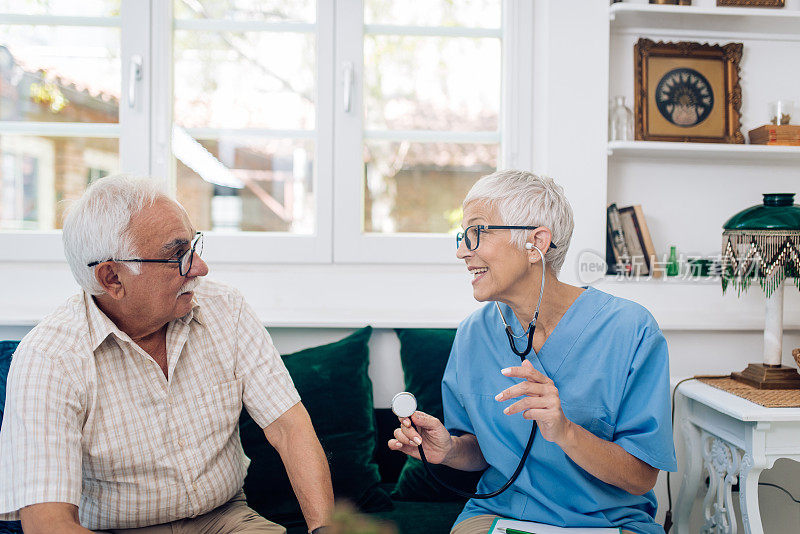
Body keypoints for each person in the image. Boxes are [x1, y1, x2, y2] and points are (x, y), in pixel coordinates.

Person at [0, 175, 333, 534]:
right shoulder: (49, 358)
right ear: (112, 277)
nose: (200, 268)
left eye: (193, 246)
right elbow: (47, 523)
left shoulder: (225, 309)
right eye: (177, 255)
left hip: (226, 518)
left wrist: (326, 530)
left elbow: (289, 427)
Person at [388, 170, 676, 534]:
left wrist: (565, 430)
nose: (462, 251)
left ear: (536, 243)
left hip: (607, 523)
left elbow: (641, 477)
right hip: (500, 516)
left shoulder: (631, 330)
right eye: (462, 236)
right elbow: (480, 450)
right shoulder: (473, 335)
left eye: (476, 232)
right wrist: (448, 451)